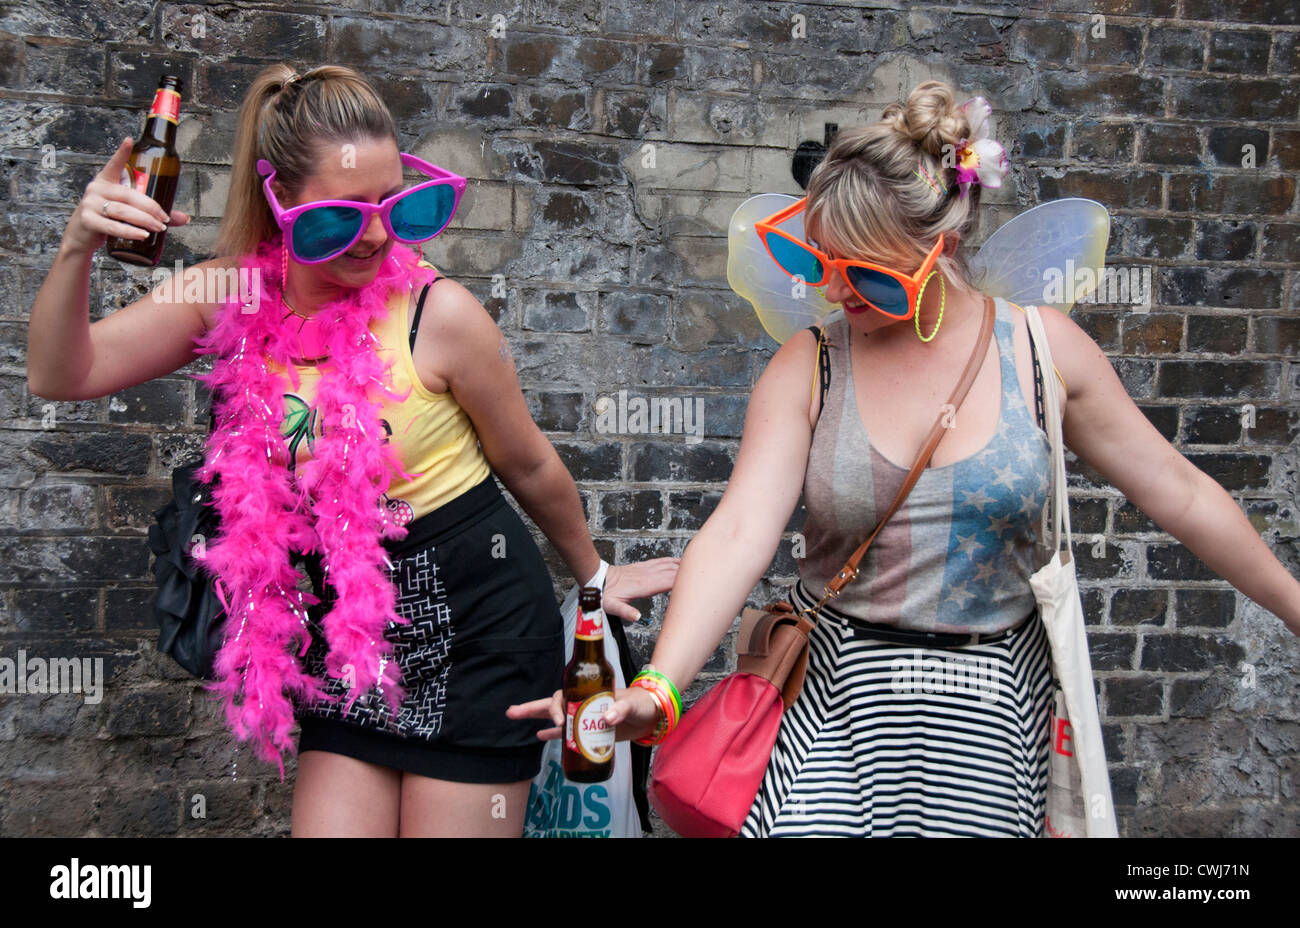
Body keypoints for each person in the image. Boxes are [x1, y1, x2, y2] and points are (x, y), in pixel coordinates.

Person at [511, 79, 1300, 837]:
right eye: (819, 262)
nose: (837, 291)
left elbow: (1182, 494)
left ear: (942, 244)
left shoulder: (1038, 351)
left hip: (993, 723)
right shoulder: (812, 362)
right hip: (832, 716)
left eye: (869, 274)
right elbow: (741, 530)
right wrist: (657, 689)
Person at [25, 63, 677, 838]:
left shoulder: (440, 315)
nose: (373, 235)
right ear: (277, 202)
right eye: (339, 216)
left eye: (396, 206)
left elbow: (529, 462)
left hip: (482, 634)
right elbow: (62, 373)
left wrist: (596, 580)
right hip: (351, 642)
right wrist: (77, 246)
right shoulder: (227, 294)